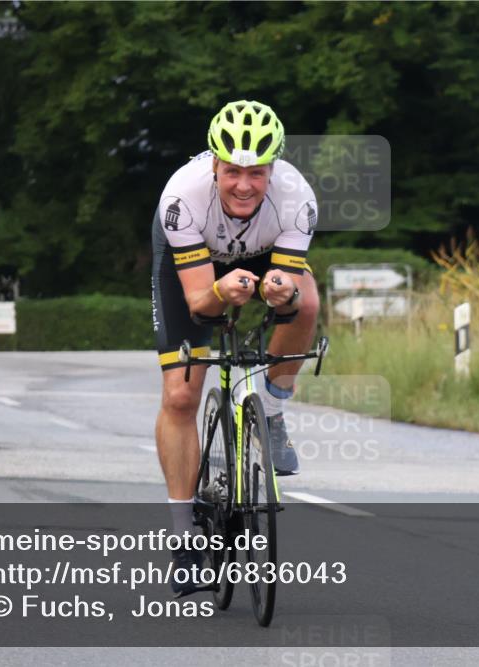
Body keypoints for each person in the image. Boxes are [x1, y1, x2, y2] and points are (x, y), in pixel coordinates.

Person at [151, 100, 319, 596]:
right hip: (196, 266)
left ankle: (269, 410)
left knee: (306, 301)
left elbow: (289, 288)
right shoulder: (182, 197)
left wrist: (281, 291)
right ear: (214, 165)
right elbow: (201, 305)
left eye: (257, 173)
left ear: (274, 170)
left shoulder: (296, 199)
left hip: (263, 255)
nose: (244, 184)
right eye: (232, 172)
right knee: (181, 395)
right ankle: (184, 542)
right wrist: (224, 293)